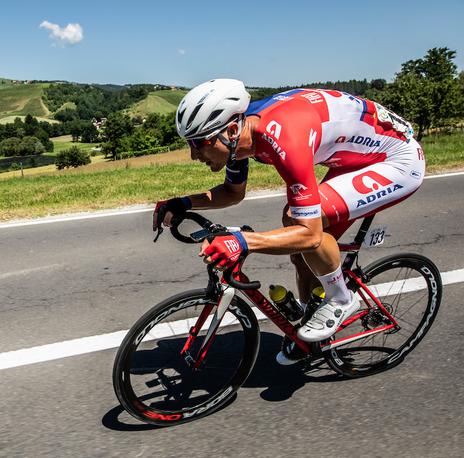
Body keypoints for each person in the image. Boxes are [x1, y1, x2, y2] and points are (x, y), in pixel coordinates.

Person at [153, 79, 425, 365]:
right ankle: (310, 320)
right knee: (300, 251)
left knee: (300, 222)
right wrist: (182, 203)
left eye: (199, 144)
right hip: (350, 158)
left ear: (231, 130)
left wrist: (243, 241)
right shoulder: (240, 134)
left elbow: (308, 234)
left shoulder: (283, 137)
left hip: (396, 161)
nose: (194, 155)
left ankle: (342, 301)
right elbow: (233, 193)